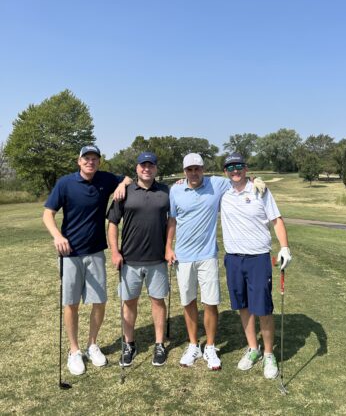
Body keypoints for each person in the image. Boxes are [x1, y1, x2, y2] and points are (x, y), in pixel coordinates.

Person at [165, 153, 265, 370]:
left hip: (207, 255)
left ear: (203, 169)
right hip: (183, 256)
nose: (194, 173)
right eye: (189, 170)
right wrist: (168, 247)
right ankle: (193, 345)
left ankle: (210, 346)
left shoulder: (216, 184)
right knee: (188, 302)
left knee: (210, 302)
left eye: (197, 169)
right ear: (184, 172)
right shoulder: (175, 190)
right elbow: (172, 219)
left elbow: (238, 178)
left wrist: (255, 179)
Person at [43, 144, 132, 376]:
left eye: (94, 158)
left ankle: (92, 344)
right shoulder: (65, 183)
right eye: (86, 158)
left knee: (99, 301)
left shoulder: (105, 179)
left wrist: (121, 184)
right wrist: (57, 236)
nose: (90, 162)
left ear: (99, 162)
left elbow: (128, 178)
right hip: (70, 254)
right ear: (79, 161)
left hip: (95, 252)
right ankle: (74, 351)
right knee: (71, 303)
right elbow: (48, 214)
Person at [220, 153, 292, 379]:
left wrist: (284, 247)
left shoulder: (260, 190)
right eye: (230, 167)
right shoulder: (223, 192)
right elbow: (198, 182)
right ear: (225, 172)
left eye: (239, 166)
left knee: (263, 308)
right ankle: (253, 348)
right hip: (233, 258)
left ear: (246, 168)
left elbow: (276, 220)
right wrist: (181, 181)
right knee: (243, 306)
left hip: (258, 258)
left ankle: (269, 353)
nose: (235, 170)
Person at [107, 152, 170, 367]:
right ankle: (129, 344)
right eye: (143, 165)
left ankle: (159, 344)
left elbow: (173, 219)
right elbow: (113, 223)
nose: (147, 169)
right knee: (129, 302)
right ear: (137, 168)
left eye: (151, 165)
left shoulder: (166, 191)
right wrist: (115, 252)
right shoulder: (124, 191)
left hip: (157, 259)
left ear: (156, 169)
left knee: (157, 301)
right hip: (130, 260)